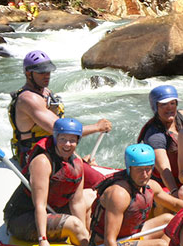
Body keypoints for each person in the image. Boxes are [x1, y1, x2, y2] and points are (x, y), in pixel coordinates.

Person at [89, 143, 183, 246]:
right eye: (140, 170)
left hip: (131, 237)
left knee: (168, 219)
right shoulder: (119, 194)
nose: (145, 174)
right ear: (129, 169)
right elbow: (110, 241)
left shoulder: (151, 186)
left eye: (148, 168)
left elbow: (175, 204)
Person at [9, 49, 111, 186]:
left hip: (56, 150)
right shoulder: (29, 99)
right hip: (35, 155)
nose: (47, 75)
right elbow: (62, 130)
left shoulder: (45, 92)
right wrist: (97, 127)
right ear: (28, 73)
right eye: (41, 72)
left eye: (48, 71)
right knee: (101, 183)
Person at [3, 117, 90, 246]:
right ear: (55, 138)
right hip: (24, 217)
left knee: (90, 196)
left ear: (78, 141)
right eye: (62, 139)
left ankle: (87, 241)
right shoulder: (43, 162)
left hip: (52, 210)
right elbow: (40, 205)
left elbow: (77, 202)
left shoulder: (77, 162)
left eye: (72, 140)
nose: (67, 144)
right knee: (74, 224)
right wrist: (42, 239)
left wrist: (83, 232)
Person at [136, 84, 183, 194]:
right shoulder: (154, 136)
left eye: (172, 103)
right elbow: (164, 170)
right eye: (164, 104)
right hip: (166, 184)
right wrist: (174, 191)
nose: (169, 107)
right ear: (155, 107)